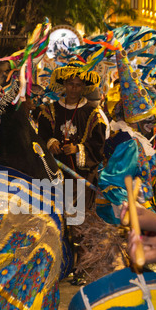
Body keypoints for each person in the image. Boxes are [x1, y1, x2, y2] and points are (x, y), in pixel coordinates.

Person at [38, 60, 107, 209]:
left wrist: (79, 149)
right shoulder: (50, 110)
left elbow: (99, 144)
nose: (74, 89)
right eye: (70, 84)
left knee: (77, 217)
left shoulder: (93, 114)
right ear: (64, 84)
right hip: (55, 171)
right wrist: (50, 142)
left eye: (78, 85)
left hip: (80, 176)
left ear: (83, 87)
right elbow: (41, 136)